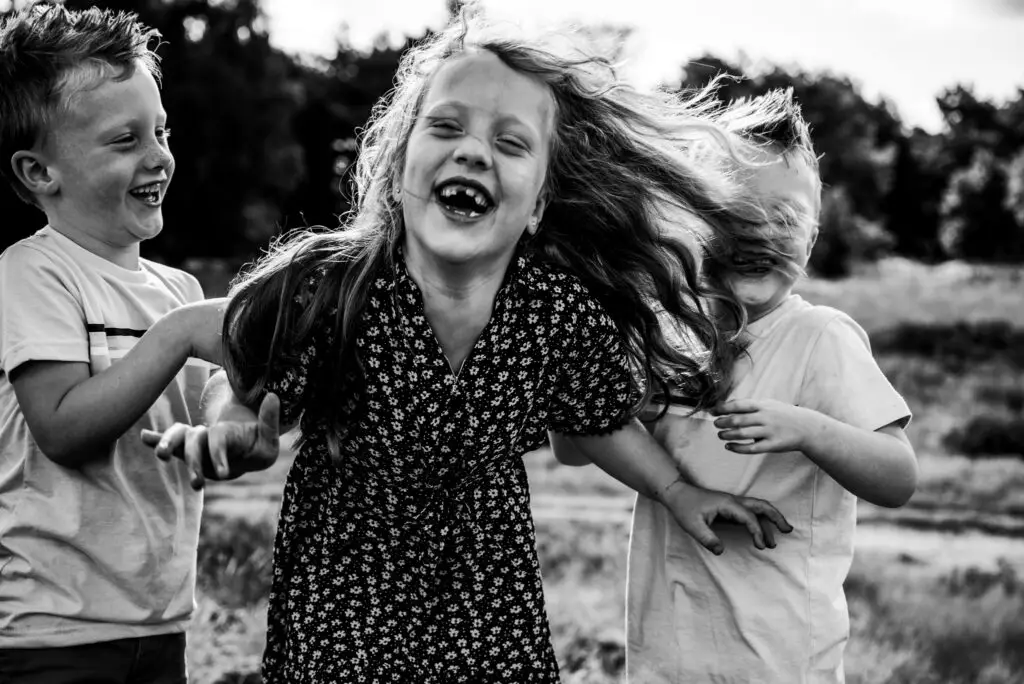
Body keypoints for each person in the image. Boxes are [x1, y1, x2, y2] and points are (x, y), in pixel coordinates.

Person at [144, 10, 796, 683]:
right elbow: (243, 370)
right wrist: (235, 430)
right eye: (447, 126)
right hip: (341, 607)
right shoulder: (334, 287)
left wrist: (675, 490)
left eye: (511, 144)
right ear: (400, 166)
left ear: (539, 204)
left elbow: (596, 421)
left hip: (490, 604)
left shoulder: (554, 312)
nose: (474, 151)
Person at [617, 90, 918, 683]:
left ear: (808, 240)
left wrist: (809, 430)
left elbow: (898, 477)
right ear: (696, 220)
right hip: (666, 651)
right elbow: (578, 444)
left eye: (784, 219)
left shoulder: (819, 338)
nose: (759, 232)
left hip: (778, 657)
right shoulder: (670, 335)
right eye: (737, 210)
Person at [0, 3, 222, 682]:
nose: (159, 156)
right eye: (125, 140)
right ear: (41, 173)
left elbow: (213, 392)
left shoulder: (179, 289)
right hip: (52, 634)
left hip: (159, 623)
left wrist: (226, 424)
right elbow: (63, 427)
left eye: (161, 130)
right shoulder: (32, 273)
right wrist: (181, 337)